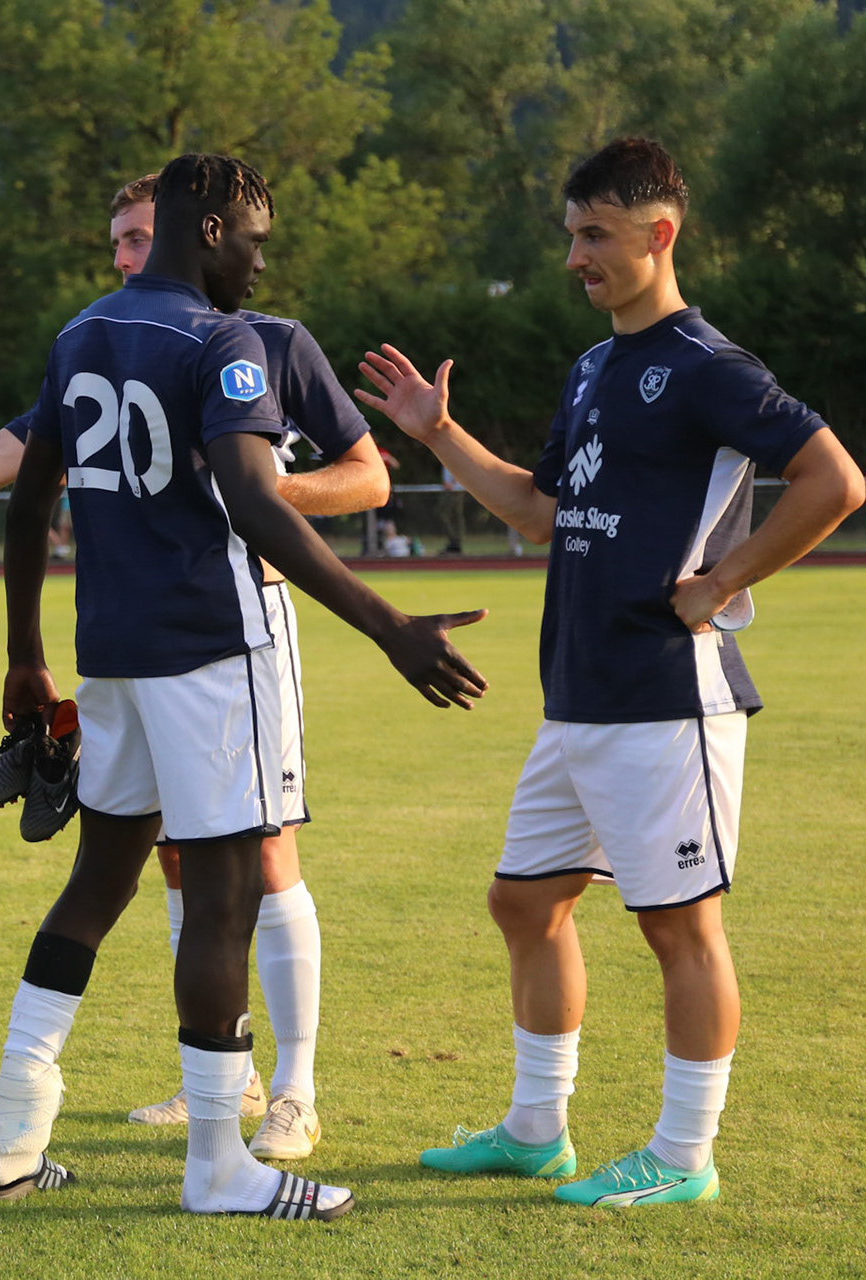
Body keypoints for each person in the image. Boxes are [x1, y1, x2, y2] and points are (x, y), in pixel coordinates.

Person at [0, 152, 486, 1219]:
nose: (259, 261)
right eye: (253, 240)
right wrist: (389, 626)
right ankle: (218, 1163)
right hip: (211, 650)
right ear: (209, 230)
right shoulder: (223, 341)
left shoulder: (81, 334)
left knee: (98, 881)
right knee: (222, 895)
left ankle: (10, 1135)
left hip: (112, 655)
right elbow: (253, 503)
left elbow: (28, 502)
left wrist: (25, 651)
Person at [357, 138, 863, 1207]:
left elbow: (835, 479)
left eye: (595, 234)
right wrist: (438, 433)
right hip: (579, 699)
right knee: (523, 902)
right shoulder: (593, 367)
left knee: (679, 925)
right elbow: (542, 510)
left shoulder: (710, 366)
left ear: (659, 233)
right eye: (572, 234)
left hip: (666, 699)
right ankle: (536, 1131)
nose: (575, 256)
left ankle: (684, 1157)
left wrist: (722, 580)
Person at [0, 172, 393, 1154]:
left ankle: (280, 1090)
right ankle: (220, 1112)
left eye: (136, 237)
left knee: (228, 862)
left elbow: (367, 476)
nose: (126, 256)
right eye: (117, 241)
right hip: (188, 639)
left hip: (176, 635)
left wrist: (248, 484)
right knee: (196, 873)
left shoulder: (242, 339)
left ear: (169, 233)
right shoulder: (157, 336)